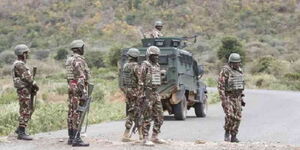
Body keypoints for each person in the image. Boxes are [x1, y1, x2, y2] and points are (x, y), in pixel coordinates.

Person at [65, 40, 90, 147]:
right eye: (83, 48)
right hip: (78, 88)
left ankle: (71, 137)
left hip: (71, 86)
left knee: (71, 111)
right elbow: (80, 77)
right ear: (79, 48)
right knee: (77, 112)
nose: (83, 49)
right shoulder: (78, 60)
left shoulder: (69, 60)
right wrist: (84, 92)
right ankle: (77, 138)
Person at [139, 46, 166, 146]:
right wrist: (142, 95)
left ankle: (155, 136)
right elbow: (140, 81)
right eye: (154, 56)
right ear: (149, 55)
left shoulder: (157, 65)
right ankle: (145, 138)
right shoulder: (145, 65)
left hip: (155, 93)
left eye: (157, 56)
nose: (156, 57)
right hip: (147, 94)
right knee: (147, 117)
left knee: (160, 116)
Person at [12, 44, 39, 140]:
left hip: (25, 89)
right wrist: (35, 84)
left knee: (26, 109)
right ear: (22, 54)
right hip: (24, 90)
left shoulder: (20, 64)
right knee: (25, 110)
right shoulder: (19, 64)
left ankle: (20, 129)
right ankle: (21, 132)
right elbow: (27, 77)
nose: (27, 55)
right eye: (26, 53)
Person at [217, 53, 246, 143]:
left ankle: (234, 135)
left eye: (238, 63)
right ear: (230, 62)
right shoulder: (225, 71)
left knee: (238, 117)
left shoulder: (239, 71)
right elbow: (220, 86)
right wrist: (223, 99)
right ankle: (227, 132)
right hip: (228, 97)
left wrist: (241, 98)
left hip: (237, 97)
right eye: (235, 63)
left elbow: (240, 85)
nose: (237, 64)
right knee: (230, 115)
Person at [121, 48, 143, 142]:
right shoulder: (136, 67)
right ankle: (127, 134)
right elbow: (141, 81)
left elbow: (123, 81)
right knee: (135, 112)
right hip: (136, 92)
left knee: (134, 111)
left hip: (128, 91)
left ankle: (141, 135)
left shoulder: (125, 66)